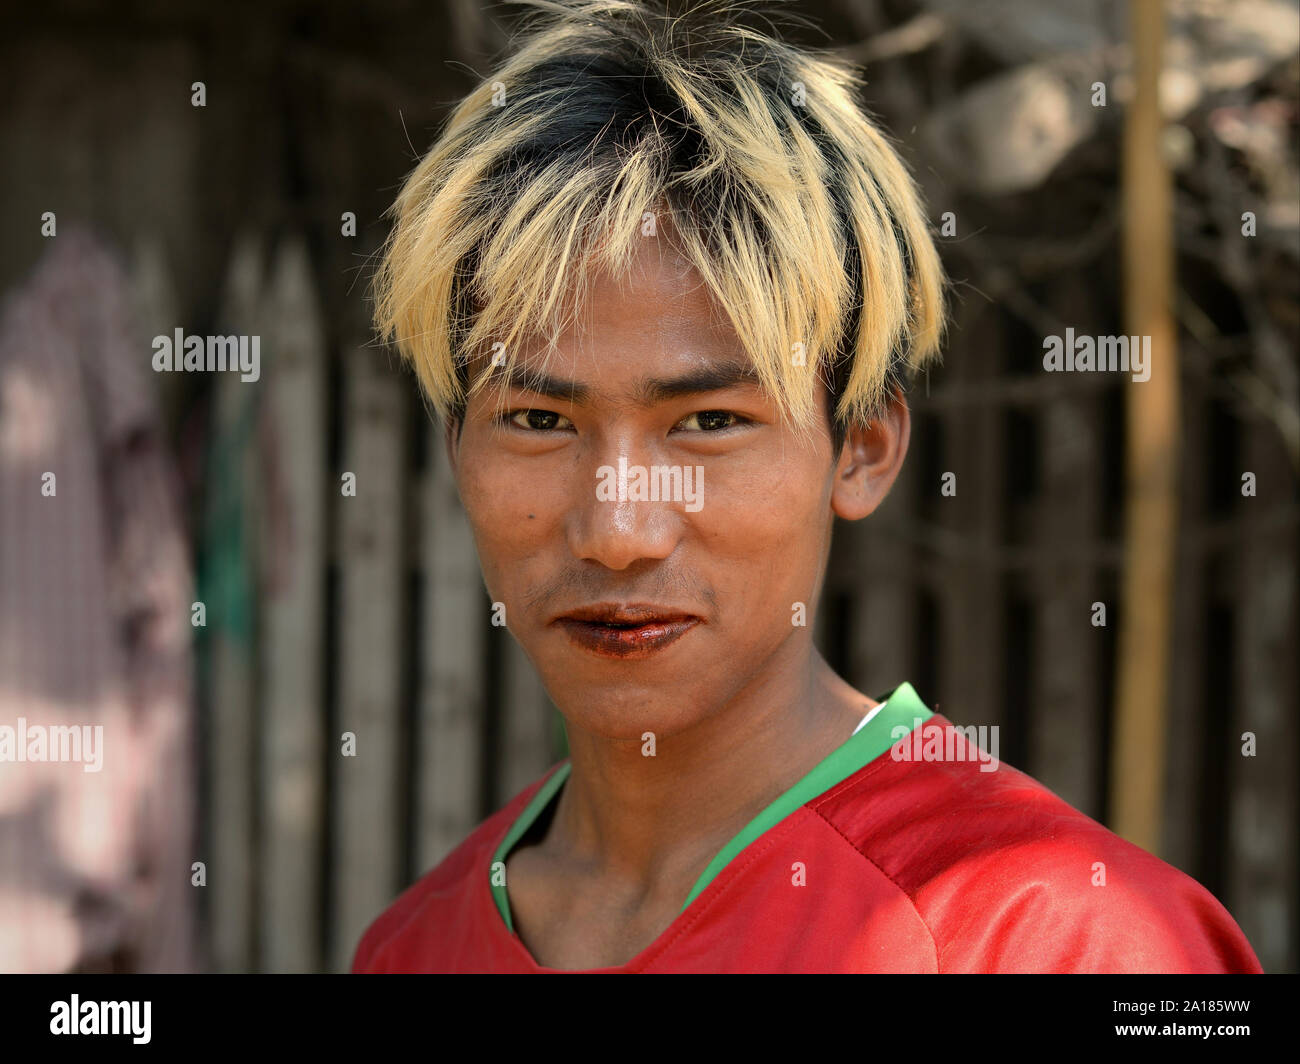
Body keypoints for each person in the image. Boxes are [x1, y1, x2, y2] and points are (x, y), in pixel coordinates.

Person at [352, 0, 1261, 973]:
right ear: (455, 448)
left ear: (861, 448)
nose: (616, 530)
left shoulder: (1058, 936)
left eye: (708, 422)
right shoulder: (414, 946)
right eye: (538, 421)